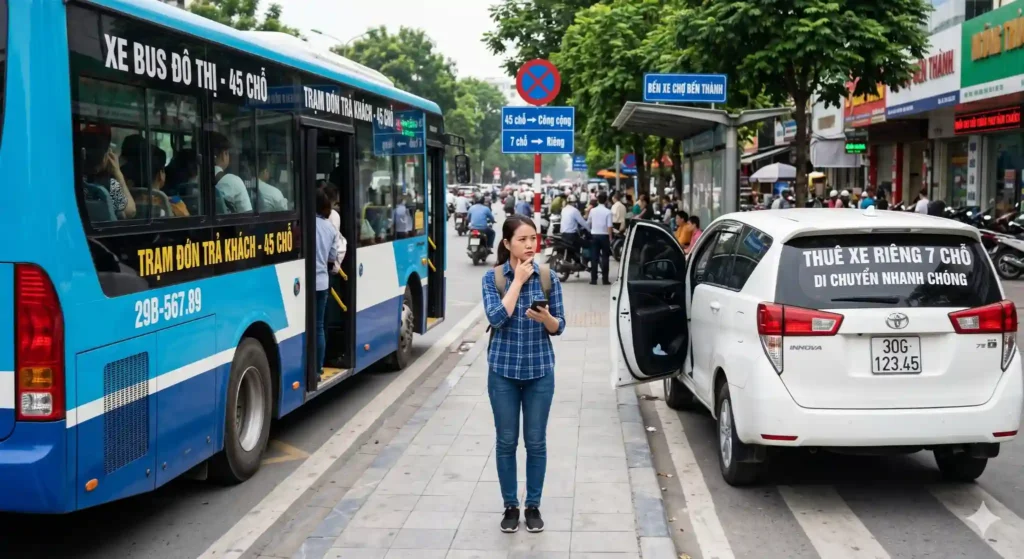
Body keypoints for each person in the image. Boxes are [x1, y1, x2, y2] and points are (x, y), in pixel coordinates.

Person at [481, 215, 565, 534]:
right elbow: (496, 318)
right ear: (507, 244)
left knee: (536, 442)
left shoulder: (548, 277)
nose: (530, 245)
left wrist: (547, 319)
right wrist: (516, 281)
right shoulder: (494, 279)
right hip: (502, 371)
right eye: (522, 239)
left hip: (540, 372)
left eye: (534, 238)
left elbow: (560, 327)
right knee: (506, 441)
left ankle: (532, 505)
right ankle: (510, 506)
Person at [77, 126, 137, 220]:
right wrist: (118, 174)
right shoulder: (109, 184)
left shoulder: (73, 180)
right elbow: (130, 211)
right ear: (106, 156)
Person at [314, 188, 339, 375]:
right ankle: (318, 367)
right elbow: (332, 258)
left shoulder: (304, 225)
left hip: (306, 284)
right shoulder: (330, 229)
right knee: (319, 326)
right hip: (322, 282)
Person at [210, 132, 252, 213]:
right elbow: (247, 217)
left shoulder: (195, 182)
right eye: (227, 153)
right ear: (223, 154)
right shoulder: (233, 181)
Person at [587, 192, 613, 285]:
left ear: (597, 200)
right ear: (606, 200)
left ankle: (593, 279)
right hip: (604, 236)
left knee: (594, 258)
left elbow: (588, 222)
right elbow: (609, 226)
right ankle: (605, 280)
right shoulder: (608, 212)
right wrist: (610, 238)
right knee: (605, 258)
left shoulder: (592, 211)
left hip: (594, 236)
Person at [560, 194, 589, 263]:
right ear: (574, 202)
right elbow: (582, 222)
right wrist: (589, 230)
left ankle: (574, 262)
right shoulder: (575, 211)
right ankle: (578, 263)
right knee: (585, 244)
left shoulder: (563, 210)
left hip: (563, 234)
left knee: (572, 248)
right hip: (571, 235)